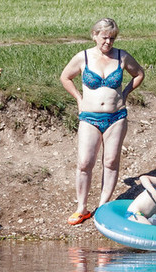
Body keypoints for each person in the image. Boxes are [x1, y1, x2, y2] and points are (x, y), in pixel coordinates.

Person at [60, 18, 145, 225]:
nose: (108, 42)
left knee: (111, 162)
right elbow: (65, 77)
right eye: (104, 37)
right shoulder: (83, 57)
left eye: (112, 38)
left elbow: (139, 73)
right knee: (84, 163)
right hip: (89, 117)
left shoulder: (121, 56)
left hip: (116, 117)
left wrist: (124, 93)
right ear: (95, 35)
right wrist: (79, 99)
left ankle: (104, 206)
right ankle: (82, 207)